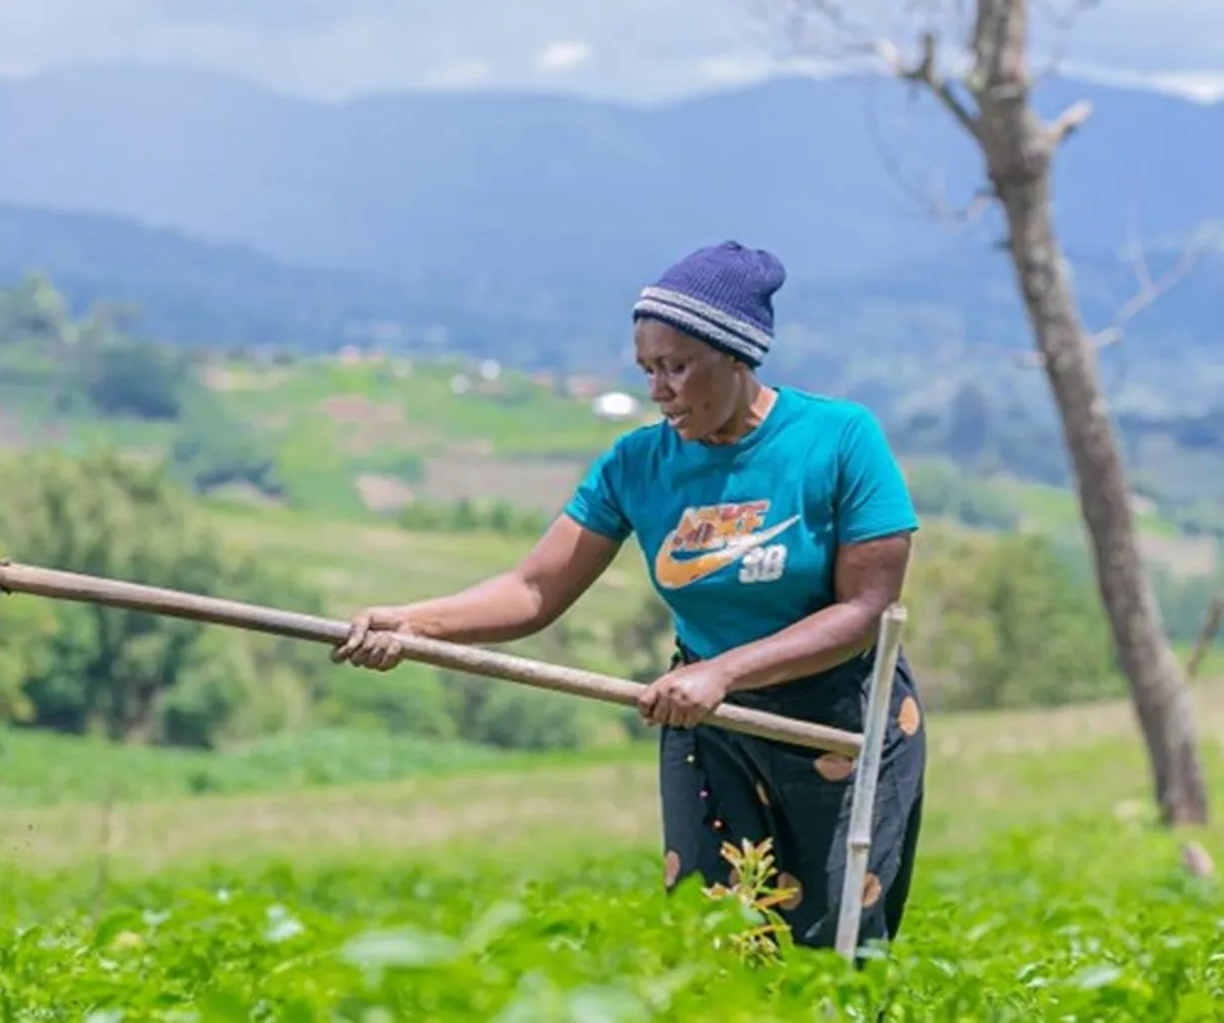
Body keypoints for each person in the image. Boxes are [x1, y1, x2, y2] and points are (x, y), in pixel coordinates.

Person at [331, 240, 927, 952]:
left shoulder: (838, 439)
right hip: (706, 721)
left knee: (834, 950)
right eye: (648, 369)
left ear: (737, 355)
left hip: (837, 719)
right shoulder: (638, 463)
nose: (659, 389)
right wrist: (413, 623)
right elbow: (533, 588)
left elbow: (863, 612)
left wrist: (726, 672)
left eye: (678, 366)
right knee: (714, 943)